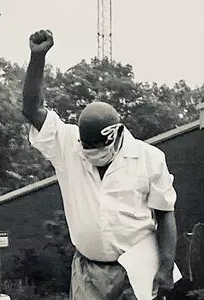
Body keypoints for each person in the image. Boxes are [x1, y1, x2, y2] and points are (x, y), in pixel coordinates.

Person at [22, 29, 177, 300]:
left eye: (99, 150)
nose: (92, 155)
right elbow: (32, 110)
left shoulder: (149, 158)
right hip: (88, 271)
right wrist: (37, 58)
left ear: (117, 136)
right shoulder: (69, 145)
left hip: (136, 270)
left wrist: (164, 268)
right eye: (87, 148)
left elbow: (165, 215)